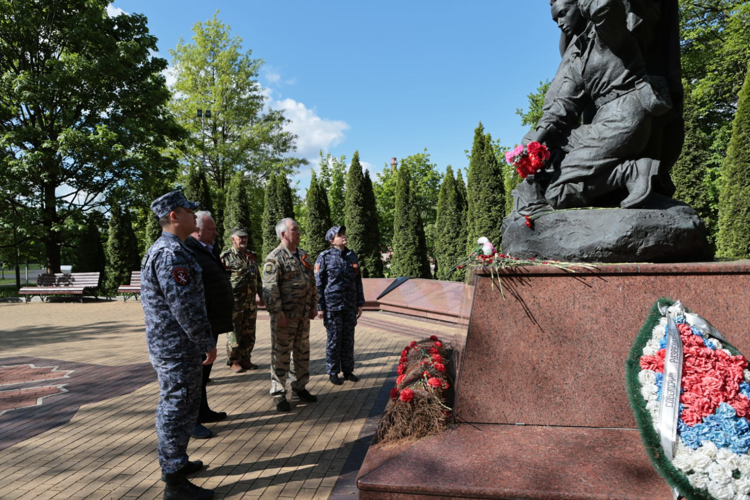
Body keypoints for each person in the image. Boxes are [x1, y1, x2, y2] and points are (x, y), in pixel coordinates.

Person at [516, 0, 673, 215]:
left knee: (558, 193)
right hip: (602, 121)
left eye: (563, 14)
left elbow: (605, 7)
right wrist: (535, 142)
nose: (560, 24)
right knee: (537, 139)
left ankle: (632, 172)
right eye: (555, 19)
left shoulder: (609, 34)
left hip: (626, 115)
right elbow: (563, 105)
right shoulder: (578, 57)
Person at [140, 190, 216, 500]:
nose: (194, 216)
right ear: (174, 216)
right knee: (175, 408)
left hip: (177, 346)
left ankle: (178, 461)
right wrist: (206, 342)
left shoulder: (175, 249)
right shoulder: (171, 254)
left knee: (182, 406)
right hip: (176, 348)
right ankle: (174, 482)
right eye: (188, 211)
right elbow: (184, 307)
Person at [262, 218, 318, 412]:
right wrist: (278, 314)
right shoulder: (274, 258)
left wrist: (313, 305)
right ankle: (278, 393)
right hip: (285, 318)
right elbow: (270, 290)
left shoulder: (303, 256)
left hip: (302, 316)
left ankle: (299, 387)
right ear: (283, 234)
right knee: (281, 355)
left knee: (302, 353)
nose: (299, 232)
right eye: (295, 229)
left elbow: (311, 282)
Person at [185, 211, 233, 439]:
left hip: (211, 321)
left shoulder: (208, 249)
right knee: (194, 376)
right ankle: (192, 421)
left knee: (204, 374)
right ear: (197, 230)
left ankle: (202, 411)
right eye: (211, 229)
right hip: (199, 325)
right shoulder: (188, 251)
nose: (215, 233)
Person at [315, 226, 365, 385]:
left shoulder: (351, 256)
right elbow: (318, 284)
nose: (344, 237)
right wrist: (320, 306)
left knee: (348, 339)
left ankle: (348, 370)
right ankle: (333, 371)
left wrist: (359, 303)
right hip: (332, 306)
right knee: (334, 340)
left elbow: (357, 281)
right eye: (340, 235)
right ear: (331, 240)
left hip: (349, 305)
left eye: (344, 234)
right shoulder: (324, 257)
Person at [220, 228, 264, 372]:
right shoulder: (225, 257)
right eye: (240, 238)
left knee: (249, 332)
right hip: (235, 302)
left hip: (250, 302)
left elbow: (257, 277)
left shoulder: (251, 256)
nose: (243, 240)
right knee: (234, 333)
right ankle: (234, 361)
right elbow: (221, 281)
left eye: (245, 237)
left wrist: (261, 294)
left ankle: (246, 359)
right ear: (233, 240)